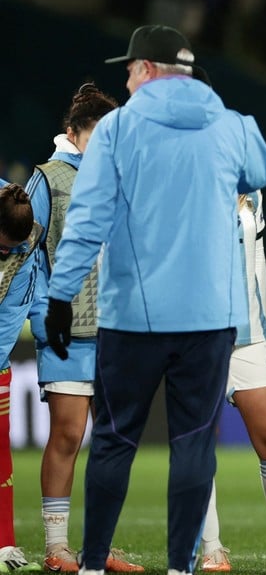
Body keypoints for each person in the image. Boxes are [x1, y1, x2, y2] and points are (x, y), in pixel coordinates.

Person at [43, 24, 266, 575]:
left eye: (129, 69)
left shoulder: (116, 129)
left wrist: (60, 295)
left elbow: (87, 220)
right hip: (209, 318)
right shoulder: (230, 123)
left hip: (132, 318)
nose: (126, 80)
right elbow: (263, 171)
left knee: (114, 441)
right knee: (193, 445)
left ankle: (93, 564)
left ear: (147, 69)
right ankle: (180, 568)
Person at [23, 84, 146, 574]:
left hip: (116, 331)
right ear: (73, 133)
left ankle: (97, 546)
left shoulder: (120, 176)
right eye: (96, 136)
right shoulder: (47, 180)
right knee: (68, 435)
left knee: (110, 442)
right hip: (67, 332)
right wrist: (41, 316)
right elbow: (25, 255)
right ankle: (57, 548)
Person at [198, 188, 266, 572]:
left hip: (249, 335)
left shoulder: (250, 188)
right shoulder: (183, 177)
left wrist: (260, 320)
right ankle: (211, 548)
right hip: (198, 335)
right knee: (199, 443)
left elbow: (256, 255)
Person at [0, 182, 42, 573]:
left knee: (0, 451)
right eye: (2, 248)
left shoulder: (26, 246)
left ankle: (4, 548)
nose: (6, 255)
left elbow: (12, 312)